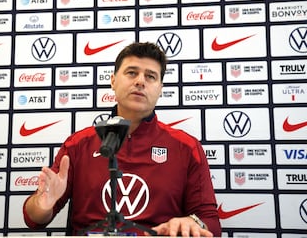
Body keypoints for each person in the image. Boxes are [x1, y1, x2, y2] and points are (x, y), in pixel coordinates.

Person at [23, 42, 221, 237]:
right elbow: (33, 219)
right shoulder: (78, 145)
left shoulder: (186, 147)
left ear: (160, 88)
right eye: (132, 73)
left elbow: (211, 223)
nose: (140, 81)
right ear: (113, 81)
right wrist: (42, 204)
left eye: (150, 76)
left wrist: (192, 222)